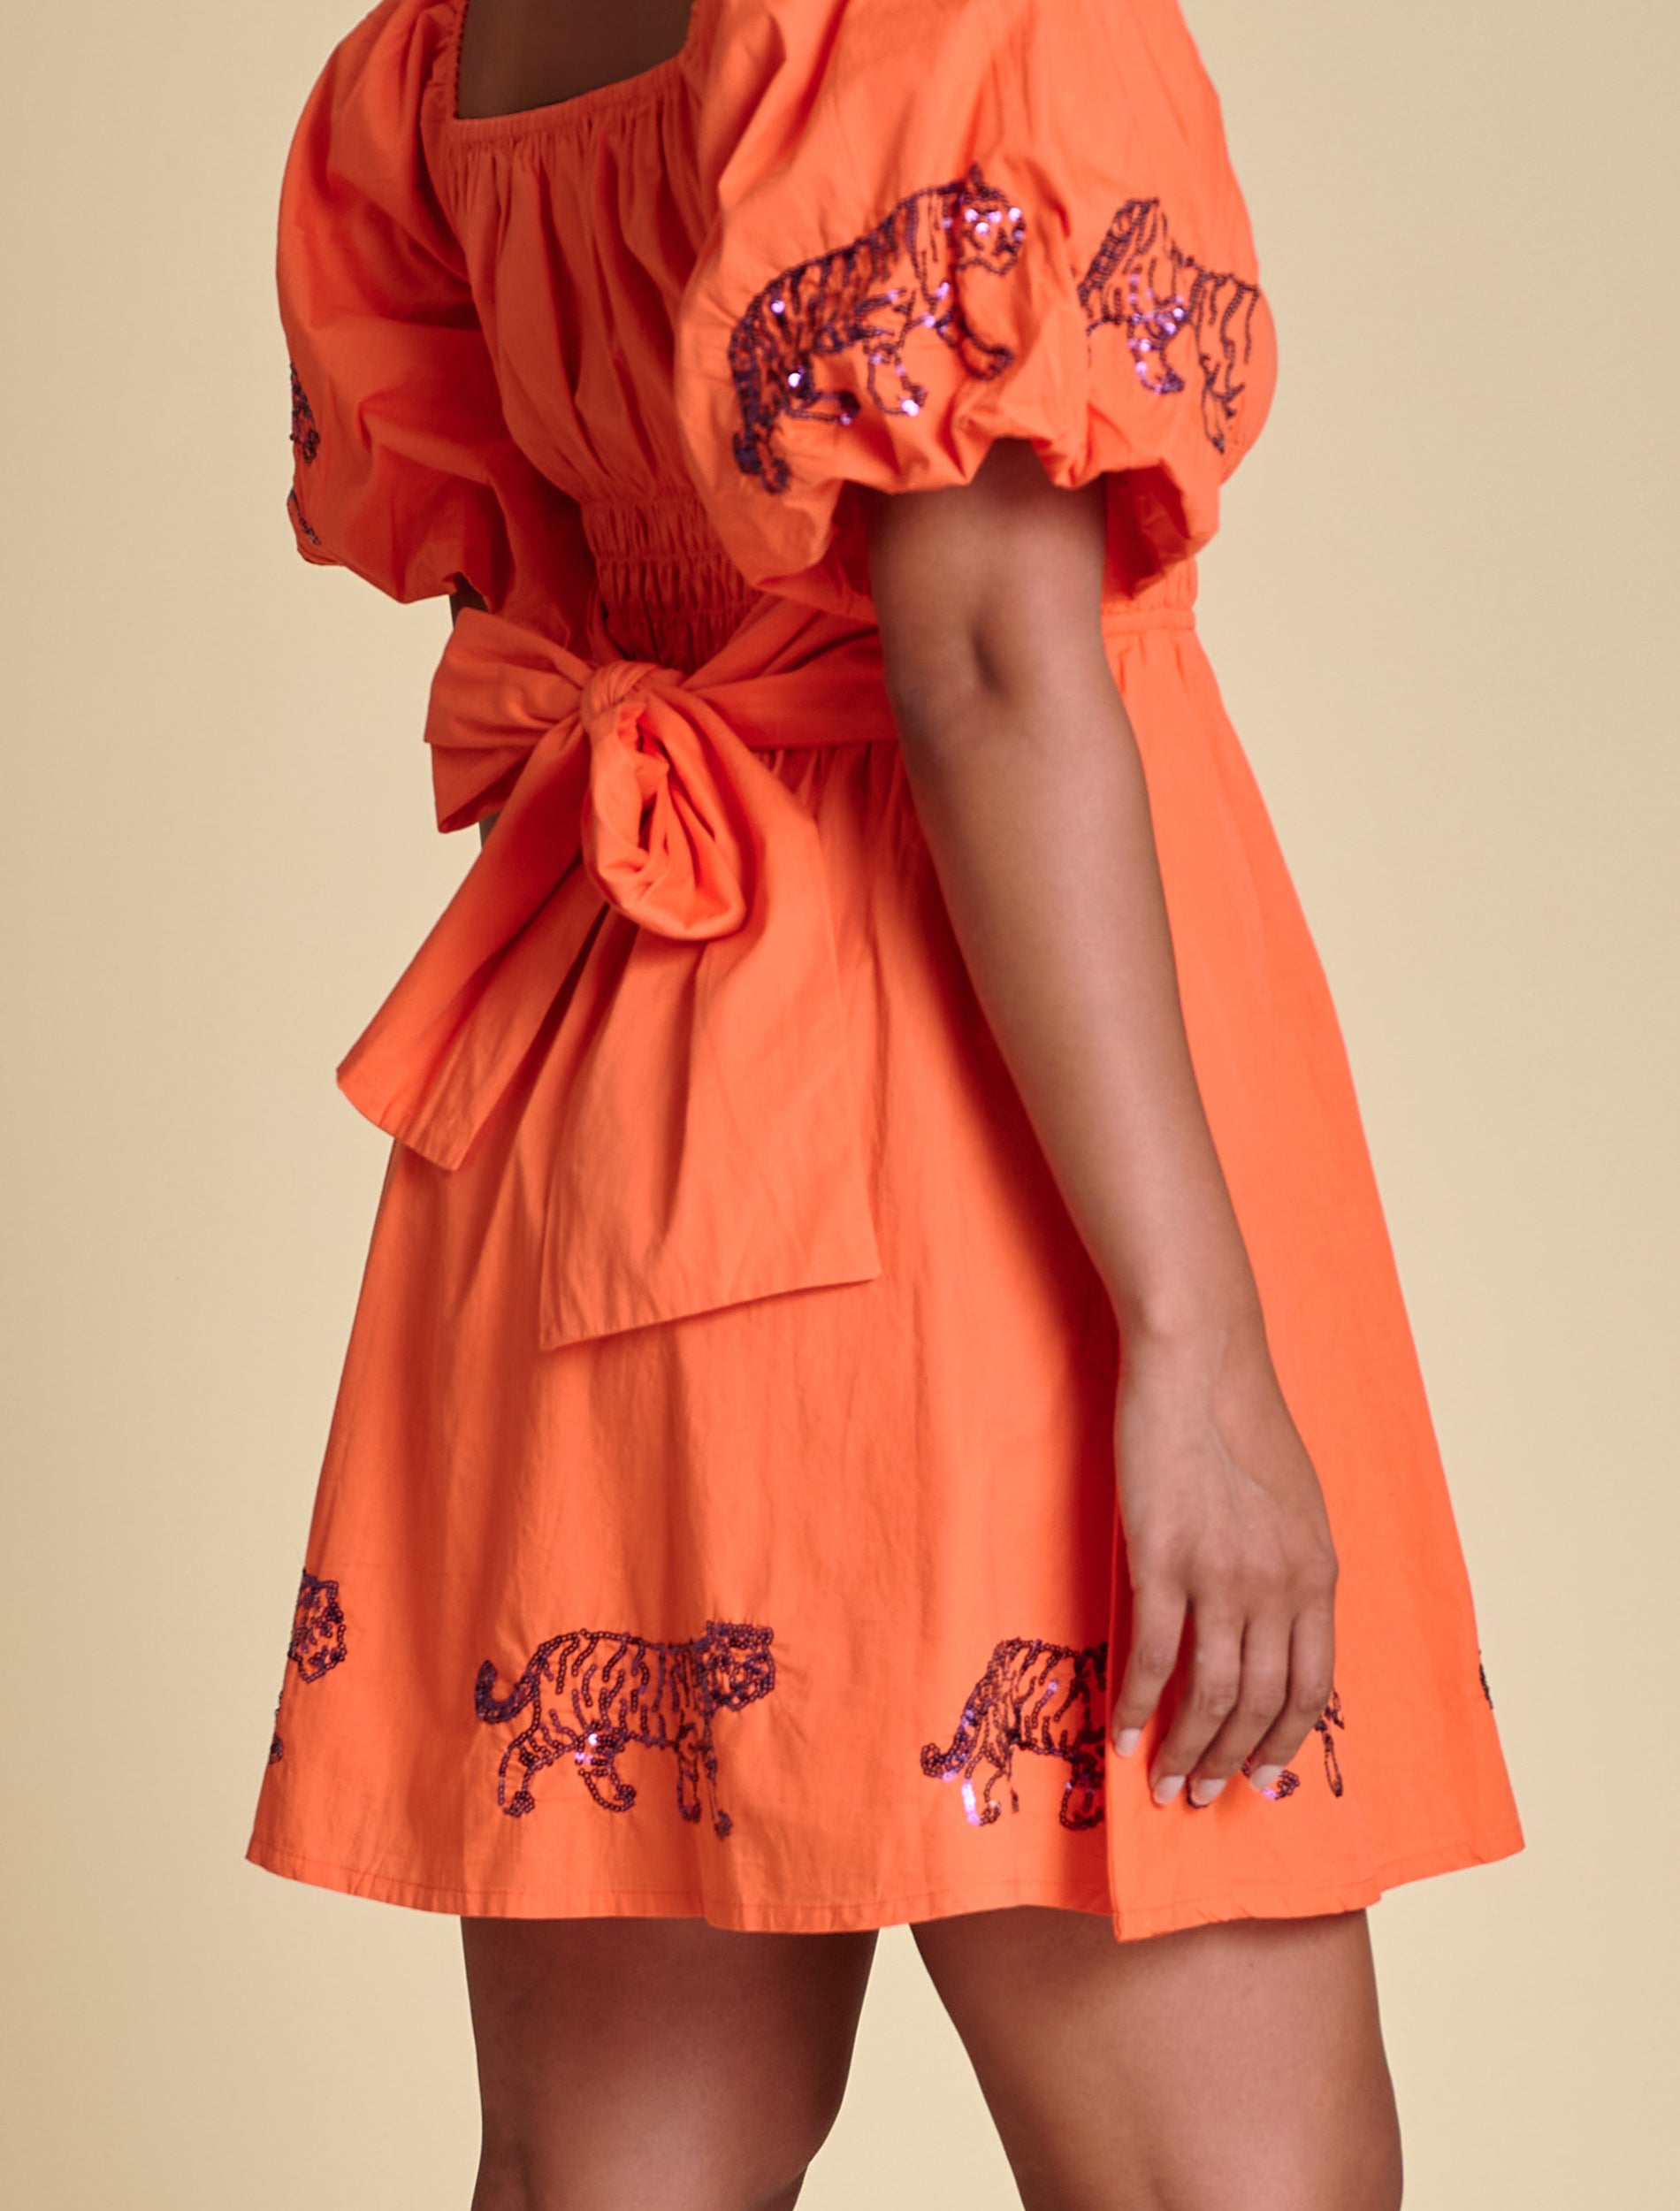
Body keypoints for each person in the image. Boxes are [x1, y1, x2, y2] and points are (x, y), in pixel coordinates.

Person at [248, 1, 1523, 2203]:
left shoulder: (447, 53)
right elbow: (986, 653)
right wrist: (1196, 1340)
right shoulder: (932, 20)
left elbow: (523, 545)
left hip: (611, 1091)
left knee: (603, 2172)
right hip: (975, 1152)